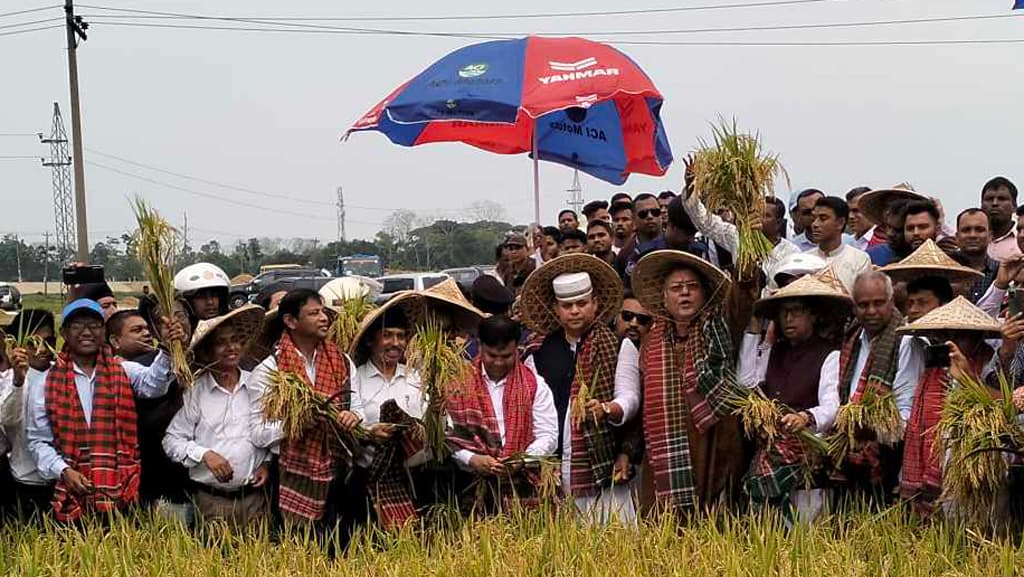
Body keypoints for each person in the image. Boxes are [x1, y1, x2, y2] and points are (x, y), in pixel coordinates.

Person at [25, 299, 186, 522]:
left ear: (103, 331)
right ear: (64, 332)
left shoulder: (122, 370)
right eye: (77, 325)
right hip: (70, 492)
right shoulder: (45, 382)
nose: (86, 332)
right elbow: (38, 441)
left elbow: (153, 385)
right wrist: (64, 470)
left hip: (122, 490)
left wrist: (168, 348)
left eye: (94, 325)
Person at [520, 254, 637, 523]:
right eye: (567, 305)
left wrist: (608, 409)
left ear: (595, 305)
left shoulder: (618, 346)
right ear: (556, 308)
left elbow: (630, 397)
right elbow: (534, 412)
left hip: (604, 466)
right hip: (554, 470)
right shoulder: (537, 354)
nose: (575, 311)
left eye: (582, 303)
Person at [626, 250, 743, 516]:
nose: (685, 294)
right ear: (664, 298)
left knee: (712, 524)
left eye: (692, 287)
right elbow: (644, 405)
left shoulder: (719, 328)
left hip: (713, 444)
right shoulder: (651, 343)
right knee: (664, 527)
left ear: (704, 294)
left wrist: (745, 263)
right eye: (677, 288)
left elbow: (742, 298)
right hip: (664, 448)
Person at [739, 270, 850, 523]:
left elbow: (832, 405)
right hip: (768, 456)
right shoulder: (773, 351)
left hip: (806, 460)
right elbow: (746, 382)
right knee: (765, 533)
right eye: (784, 312)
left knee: (805, 536)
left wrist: (806, 417)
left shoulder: (828, 355)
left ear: (813, 315)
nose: (789, 319)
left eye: (797, 311)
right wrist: (754, 328)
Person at [248, 289, 361, 534]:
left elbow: (357, 407)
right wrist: (296, 424)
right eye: (314, 313)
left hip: (337, 472)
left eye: (323, 312)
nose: (324, 318)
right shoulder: (269, 371)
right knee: (296, 551)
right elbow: (258, 433)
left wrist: (352, 417)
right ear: (291, 321)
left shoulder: (341, 361)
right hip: (290, 475)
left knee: (339, 551)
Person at [163, 305, 269, 527]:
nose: (231, 347)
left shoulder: (258, 384)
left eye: (235, 340)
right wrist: (205, 454)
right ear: (207, 352)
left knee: (261, 560)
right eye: (221, 342)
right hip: (212, 501)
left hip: (255, 500)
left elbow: (269, 430)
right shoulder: (196, 392)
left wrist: (266, 462)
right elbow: (171, 441)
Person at [896, 297, 999, 518]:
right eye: (946, 335)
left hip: (972, 470)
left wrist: (968, 379)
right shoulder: (933, 371)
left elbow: (1000, 407)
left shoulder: (991, 364)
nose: (951, 342)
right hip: (936, 470)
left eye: (960, 334)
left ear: (978, 336)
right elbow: (919, 425)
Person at [447, 315, 558, 513]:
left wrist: (521, 460)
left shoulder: (534, 385)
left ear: (517, 349)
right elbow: (447, 437)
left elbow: (548, 435)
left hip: (523, 489)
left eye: (506, 356)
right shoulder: (458, 384)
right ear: (480, 347)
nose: (498, 363)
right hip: (472, 489)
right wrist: (472, 459)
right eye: (492, 356)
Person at [832, 271, 922, 504]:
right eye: (863, 305)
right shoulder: (852, 339)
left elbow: (906, 415)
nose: (871, 311)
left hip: (888, 459)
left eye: (878, 303)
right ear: (854, 307)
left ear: (891, 302)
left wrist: (870, 429)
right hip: (851, 454)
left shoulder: (905, 341)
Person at [349, 304, 431, 528]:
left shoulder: (416, 379)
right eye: (387, 336)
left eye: (401, 336)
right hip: (371, 481)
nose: (396, 343)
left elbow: (432, 424)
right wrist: (369, 432)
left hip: (419, 478)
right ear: (369, 341)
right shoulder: (356, 381)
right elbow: (348, 426)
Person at [681, 181, 799, 284]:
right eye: (756, 213)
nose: (757, 218)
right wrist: (690, 190)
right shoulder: (737, 237)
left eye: (765, 215)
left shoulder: (791, 251)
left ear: (778, 223)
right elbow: (705, 223)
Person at [0, 310, 56, 520]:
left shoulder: (63, 374)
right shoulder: (7, 379)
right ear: (17, 345)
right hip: (24, 481)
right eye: (34, 342)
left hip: (63, 480)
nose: (42, 349)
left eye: (49, 341)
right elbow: (7, 419)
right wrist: (18, 380)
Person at [806, 196, 872, 293]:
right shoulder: (804, 260)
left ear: (840, 223)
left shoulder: (859, 260)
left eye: (823, 219)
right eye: (813, 219)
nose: (815, 224)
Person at [615, 193, 668, 282]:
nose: (650, 216)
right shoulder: (624, 255)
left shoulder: (673, 244)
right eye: (643, 214)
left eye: (655, 212)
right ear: (634, 219)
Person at [955, 209, 999, 304]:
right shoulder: (945, 271)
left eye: (979, 230)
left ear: (990, 236)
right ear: (957, 237)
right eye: (966, 230)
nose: (972, 235)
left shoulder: (1000, 272)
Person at [981, 176, 1020, 262]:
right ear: (981, 205)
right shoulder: (971, 239)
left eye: (1002, 199)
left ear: (1014, 206)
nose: (995, 203)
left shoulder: (1020, 240)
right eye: (989, 199)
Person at [867, 200, 912, 267]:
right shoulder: (872, 255)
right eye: (888, 227)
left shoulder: (924, 255)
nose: (889, 233)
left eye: (897, 230)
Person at [496, 232, 536, 297]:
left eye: (518, 248)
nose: (514, 252)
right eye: (511, 249)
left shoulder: (535, 267)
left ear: (527, 249)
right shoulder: (508, 271)